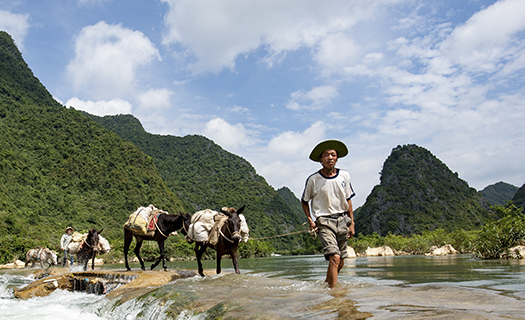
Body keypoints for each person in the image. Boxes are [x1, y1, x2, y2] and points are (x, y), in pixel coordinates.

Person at [301, 140, 355, 288]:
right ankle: (334, 293)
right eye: (326, 155)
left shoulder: (344, 175)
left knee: (341, 260)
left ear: (337, 158)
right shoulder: (313, 180)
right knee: (335, 257)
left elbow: (348, 200)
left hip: (343, 220)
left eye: (333, 155)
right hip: (324, 222)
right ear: (320, 159)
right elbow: (305, 201)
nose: (330, 158)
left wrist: (352, 223)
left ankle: (327, 284)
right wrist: (310, 220)